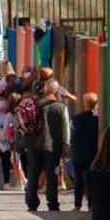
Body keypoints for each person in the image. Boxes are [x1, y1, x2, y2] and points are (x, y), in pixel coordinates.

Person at [40, 80, 70, 212]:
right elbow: (65, 128)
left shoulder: (37, 104)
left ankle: (31, 202)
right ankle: (52, 204)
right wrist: (66, 146)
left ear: (45, 90)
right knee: (52, 176)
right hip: (54, 146)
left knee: (34, 173)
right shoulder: (61, 107)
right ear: (56, 92)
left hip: (37, 144)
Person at [69, 92, 100, 210]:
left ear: (84, 104)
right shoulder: (97, 120)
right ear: (96, 104)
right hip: (92, 154)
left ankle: (77, 204)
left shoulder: (76, 119)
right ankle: (91, 204)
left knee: (78, 180)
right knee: (91, 179)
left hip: (78, 154)